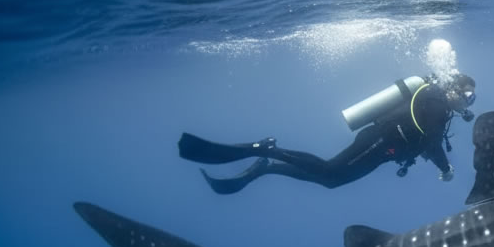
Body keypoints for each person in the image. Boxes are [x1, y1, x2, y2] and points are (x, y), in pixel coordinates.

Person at [177, 73, 477, 194]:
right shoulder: (437, 104)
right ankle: (265, 149)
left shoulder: (435, 103)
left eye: (469, 100)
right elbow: (431, 141)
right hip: (379, 143)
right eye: (467, 96)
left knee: (331, 181)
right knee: (328, 169)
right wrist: (446, 168)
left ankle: (267, 167)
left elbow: (424, 137)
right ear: (454, 90)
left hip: (384, 148)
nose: (467, 103)